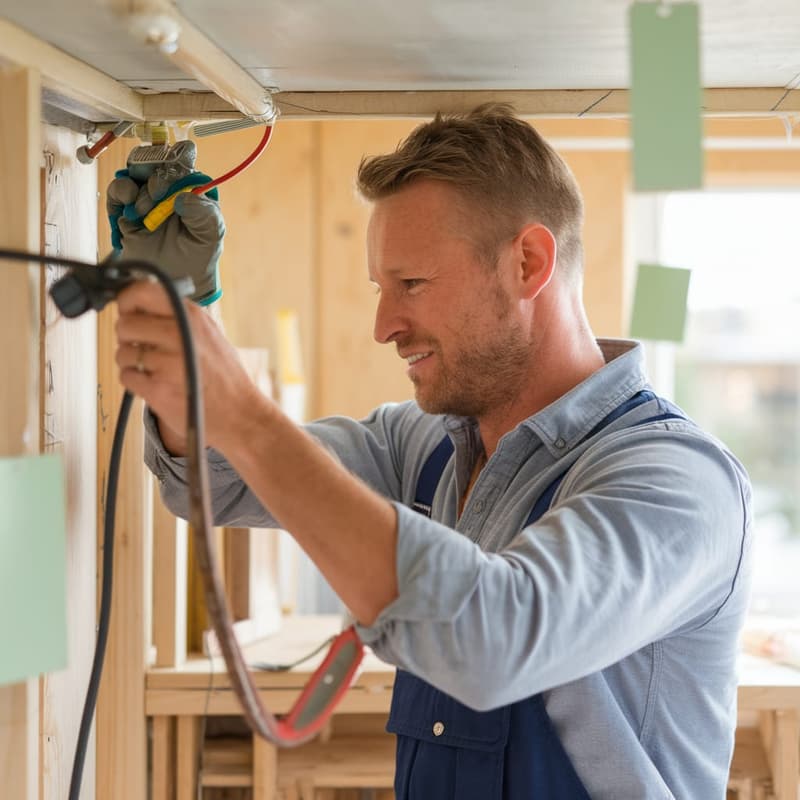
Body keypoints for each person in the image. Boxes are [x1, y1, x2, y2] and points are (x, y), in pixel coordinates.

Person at [111, 104, 752, 799]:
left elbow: (495, 639)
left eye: (412, 284)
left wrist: (247, 414)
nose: (384, 325)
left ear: (528, 263)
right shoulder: (428, 449)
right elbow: (215, 479)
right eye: (381, 289)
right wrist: (183, 313)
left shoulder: (678, 482)